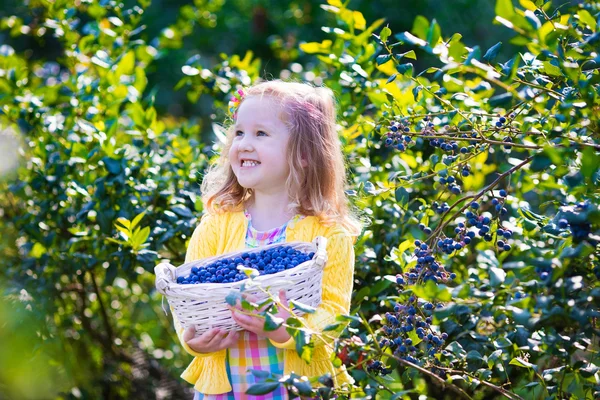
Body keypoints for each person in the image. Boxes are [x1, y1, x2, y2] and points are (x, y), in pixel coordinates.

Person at [172, 79, 368, 399]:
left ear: (304, 153)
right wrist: (191, 340)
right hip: (228, 389)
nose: (244, 144)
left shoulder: (328, 234)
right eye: (239, 133)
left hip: (296, 387)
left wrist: (284, 328)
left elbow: (333, 314)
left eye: (261, 133)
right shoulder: (215, 227)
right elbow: (189, 300)